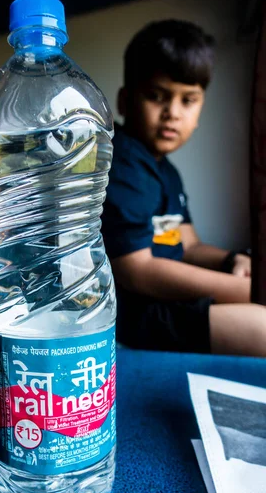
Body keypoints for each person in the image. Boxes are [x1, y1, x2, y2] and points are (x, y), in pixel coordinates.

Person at [101, 19, 266, 357]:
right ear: (124, 100)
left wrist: (232, 259)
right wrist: (245, 290)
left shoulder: (167, 171)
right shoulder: (122, 162)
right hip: (142, 313)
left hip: (175, 300)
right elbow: (137, 270)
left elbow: (187, 244)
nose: (172, 113)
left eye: (188, 100)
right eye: (156, 96)